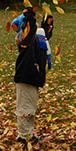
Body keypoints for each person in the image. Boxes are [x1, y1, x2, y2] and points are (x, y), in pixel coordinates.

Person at [13, 7, 53, 144]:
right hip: (26, 75)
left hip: (34, 76)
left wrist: (47, 23)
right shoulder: (25, 39)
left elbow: (45, 36)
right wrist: (28, 19)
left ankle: (28, 133)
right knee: (25, 107)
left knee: (31, 106)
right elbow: (29, 31)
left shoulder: (38, 37)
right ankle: (23, 135)